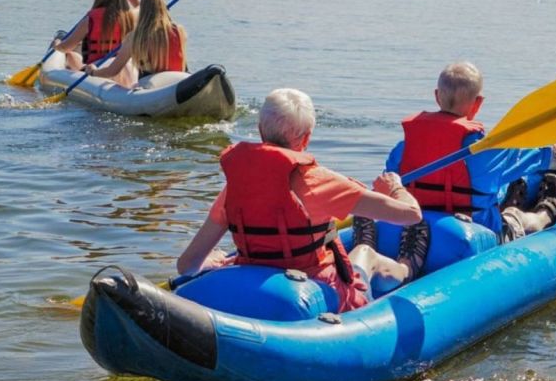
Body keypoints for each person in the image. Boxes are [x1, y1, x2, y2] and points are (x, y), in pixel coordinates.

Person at [176, 88, 423, 312]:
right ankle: (406, 269)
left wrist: (214, 261)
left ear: (261, 130)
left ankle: (382, 251)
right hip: (316, 286)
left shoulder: (235, 188)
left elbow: (186, 264)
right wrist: (395, 187)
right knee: (365, 253)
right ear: (306, 138)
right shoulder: (320, 181)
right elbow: (412, 215)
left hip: (253, 274)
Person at [352, 62, 556, 286]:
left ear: (437, 96)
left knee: (493, 188)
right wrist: (555, 142)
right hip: (474, 231)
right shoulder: (488, 153)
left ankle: (512, 199)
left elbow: (389, 186)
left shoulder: (402, 149)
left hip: (412, 228)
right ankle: (538, 216)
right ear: (478, 103)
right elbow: (542, 154)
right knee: (511, 215)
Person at [53, 0, 140, 88]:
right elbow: (140, 3)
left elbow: (66, 48)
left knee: (70, 55)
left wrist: (57, 44)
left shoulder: (90, 20)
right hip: (124, 66)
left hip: (97, 68)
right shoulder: (131, 16)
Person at [83, 0, 188, 84]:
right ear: (164, 10)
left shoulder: (135, 37)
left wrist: (93, 72)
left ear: (142, 12)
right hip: (179, 79)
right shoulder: (179, 30)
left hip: (150, 85)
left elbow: (113, 71)